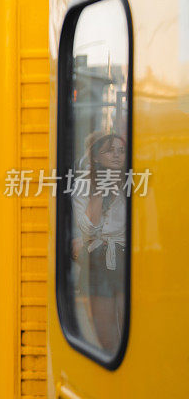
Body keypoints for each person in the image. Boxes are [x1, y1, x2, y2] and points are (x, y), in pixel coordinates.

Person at [70, 132, 127, 352]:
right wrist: (101, 192)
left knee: (129, 333)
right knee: (107, 339)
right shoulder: (84, 184)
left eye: (121, 151)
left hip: (125, 258)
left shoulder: (132, 182)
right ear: (95, 157)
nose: (117, 156)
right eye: (110, 150)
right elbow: (87, 228)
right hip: (97, 260)